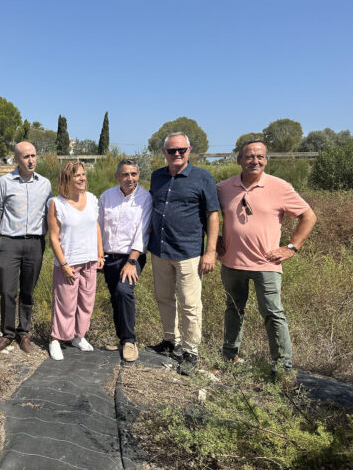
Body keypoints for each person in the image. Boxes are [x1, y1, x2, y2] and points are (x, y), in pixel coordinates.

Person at [217, 139, 316, 377]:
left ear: (266, 160)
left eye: (260, 157)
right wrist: (216, 240)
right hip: (232, 263)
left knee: (273, 313)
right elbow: (210, 215)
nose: (255, 161)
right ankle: (229, 358)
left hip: (267, 264)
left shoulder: (280, 187)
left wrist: (291, 248)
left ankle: (282, 367)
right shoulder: (223, 188)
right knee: (233, 309)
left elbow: (309, 217)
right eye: (249, 156)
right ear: (239, 160)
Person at [147, 132, 220, 375]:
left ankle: (190, 351)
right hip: (160, 250)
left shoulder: (202, 177)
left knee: (190, 303)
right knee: (164, 297)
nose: (177, 154)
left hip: (189, 252)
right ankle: (170, 340)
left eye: (182, 150)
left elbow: (212, 214)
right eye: (172, 151)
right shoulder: (157, 176)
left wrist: (210, 252)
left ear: (189, 150)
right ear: (164, 153)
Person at [0, 142, 52, 353]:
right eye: (26, 156)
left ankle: (23, 332)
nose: (31, 160)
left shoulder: (45, 184)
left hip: (35, 243)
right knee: (7, 290)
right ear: (16, 159)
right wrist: (8, 234)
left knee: (28, 290)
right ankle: (7, 334)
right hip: (9, 243)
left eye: (33, 155)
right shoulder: (4, 182)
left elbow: (49, 213)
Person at [47, 161, 104, 360]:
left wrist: (100, 253)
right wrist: (63, 264)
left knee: (86, 302)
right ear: (66, 179)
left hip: (89, 259)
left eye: (83, 174)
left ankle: (79, 336)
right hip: (68, 262)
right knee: (65, 303)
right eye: (77, 175)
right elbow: (53, 237)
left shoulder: (92, 199)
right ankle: (56, 339)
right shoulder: (57, 203)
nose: (82, 178)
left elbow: (95, 226)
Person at [98, 158, 152, 362]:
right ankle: (121, 339)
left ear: (138, 175)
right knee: (115, 297)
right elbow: (99, 226)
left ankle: (130, 341)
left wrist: (131, 262)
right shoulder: (107, 196)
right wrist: (99, 254)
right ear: (117, 176)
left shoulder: (145, 198)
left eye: (134, 174)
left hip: (133, 256)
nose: (130, 178)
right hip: (109, 256)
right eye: (126, 174)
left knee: (124, 290)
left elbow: (143, 231)